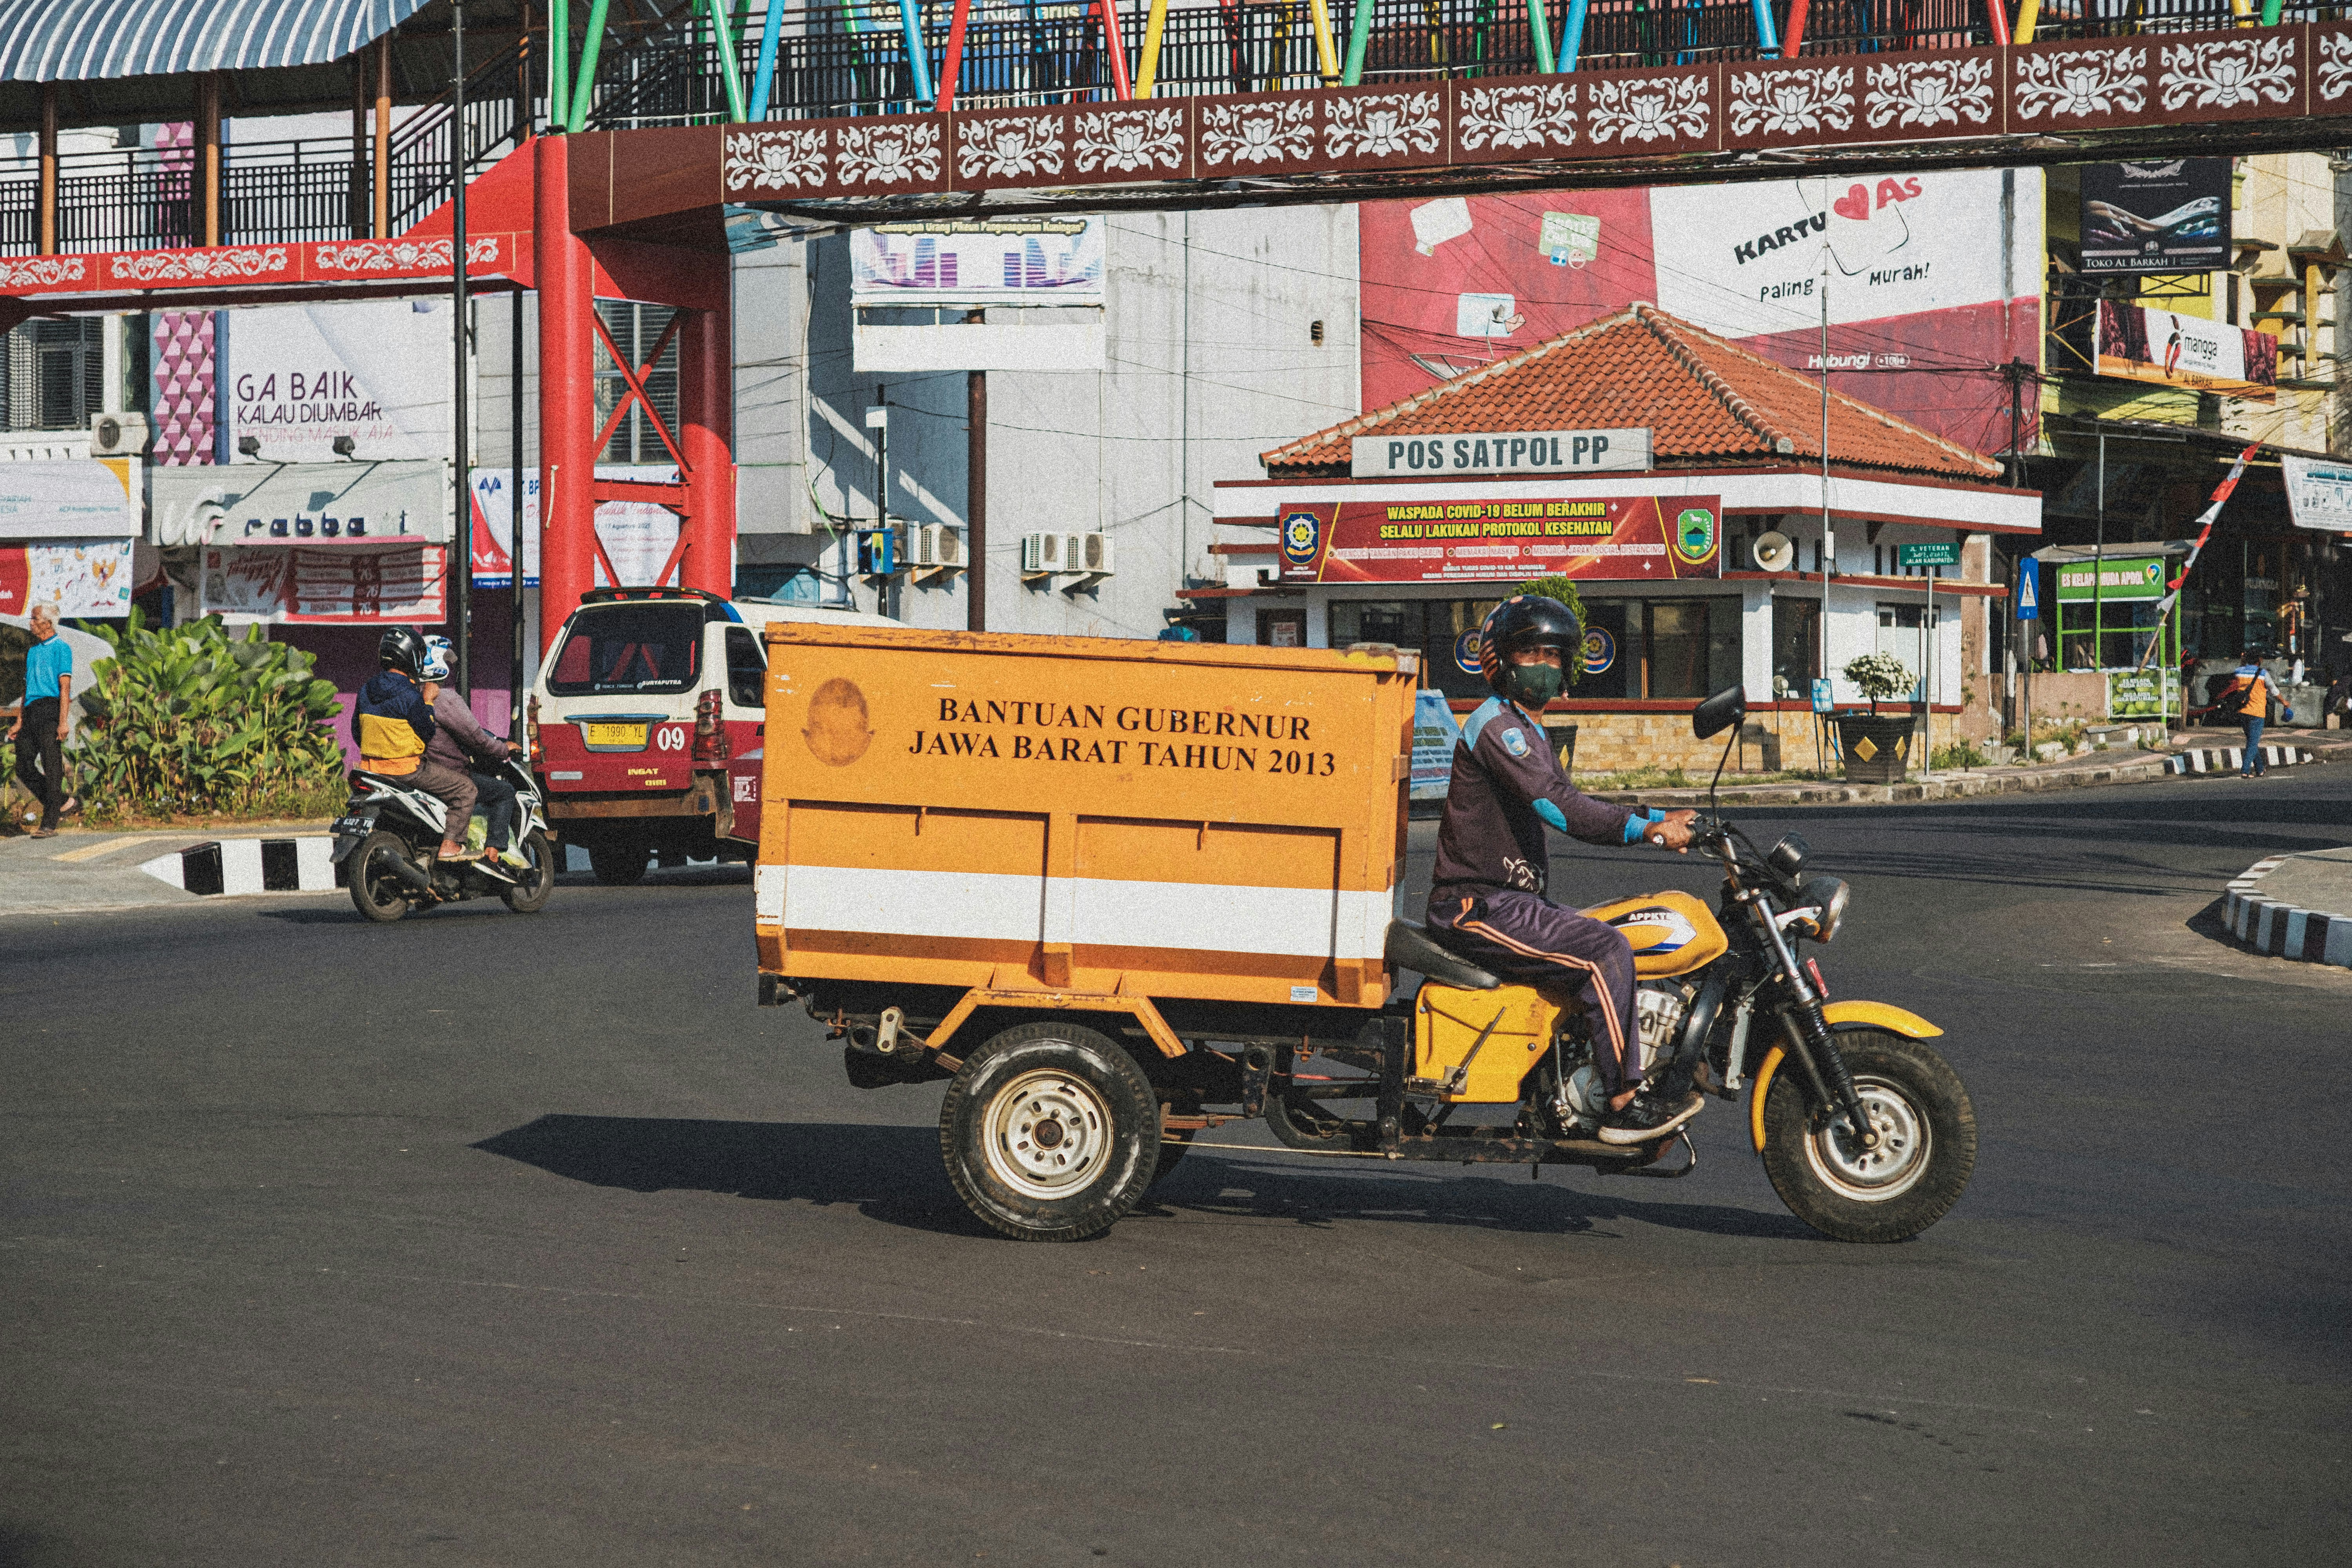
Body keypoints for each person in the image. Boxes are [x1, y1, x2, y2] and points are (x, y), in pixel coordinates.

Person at [1424, 595, 1703, 1145]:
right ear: (1499, 660)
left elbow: (1570, 797)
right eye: (1530, 652)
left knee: (1614, 933)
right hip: (1476, 905)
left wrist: (1660, 817)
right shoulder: (1497, 727)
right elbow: (1562, 809)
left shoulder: (1527, 729)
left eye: (1554, 655)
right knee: (1605, 951)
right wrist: (1649, 830)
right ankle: (1623, 1100)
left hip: (1511, 903)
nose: (1545, 666)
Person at [354, 626, 478, 861]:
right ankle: (450, 845)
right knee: (466, 789)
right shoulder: (410, 693)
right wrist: (429, 701)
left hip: (370, 770)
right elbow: (428, 731)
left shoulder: (366, 690)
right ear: (413, 657)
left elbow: (356, 732)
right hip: (407, 771)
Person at [417, 634, 527, 874]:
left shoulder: (412, 695)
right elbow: (476, 738)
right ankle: (492, 854)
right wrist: (502, 749)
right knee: (503, 792)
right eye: (446, 661)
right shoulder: (445, 698)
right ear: (438, 662)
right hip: (448, 772)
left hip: (418, 769)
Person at [7, 603, 78, 837]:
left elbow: (65, 688)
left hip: (51, 708)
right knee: (24, 766)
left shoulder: (62, 649)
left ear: (48, 623)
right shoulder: (33, 651)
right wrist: (19, 720)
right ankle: (63, 802)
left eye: (35, 618)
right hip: (31, 711)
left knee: (52, 764)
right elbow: (27, 689)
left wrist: (63, 721)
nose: (31, 622)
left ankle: (49, 823)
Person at [2215, 648, 2285, 779]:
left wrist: (2243, 661)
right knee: (2253, 743)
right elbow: (2274, 691)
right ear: (2260, 660)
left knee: (2252, 742)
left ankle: (2260, 769)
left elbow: (2240, 670)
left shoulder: (2239, 672)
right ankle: (2245, 770)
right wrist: (2285, 703)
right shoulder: (2263, 673)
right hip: (2257, 712)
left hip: (2243, 711)